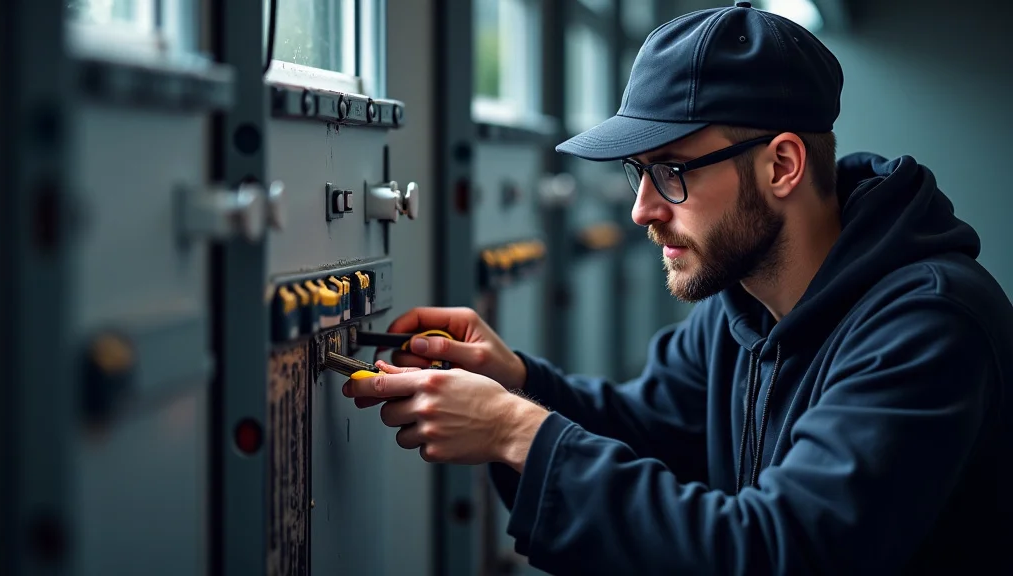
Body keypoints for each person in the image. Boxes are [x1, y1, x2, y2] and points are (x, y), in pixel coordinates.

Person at [341, 2, 1013, 574]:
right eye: (639, 171)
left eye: (672, 171)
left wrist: (516, 430)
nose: (642, 209)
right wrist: (513, 381)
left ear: (782, 165)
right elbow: (644, 430)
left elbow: (783, 551)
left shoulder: (929, 327)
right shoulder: (743, 301)